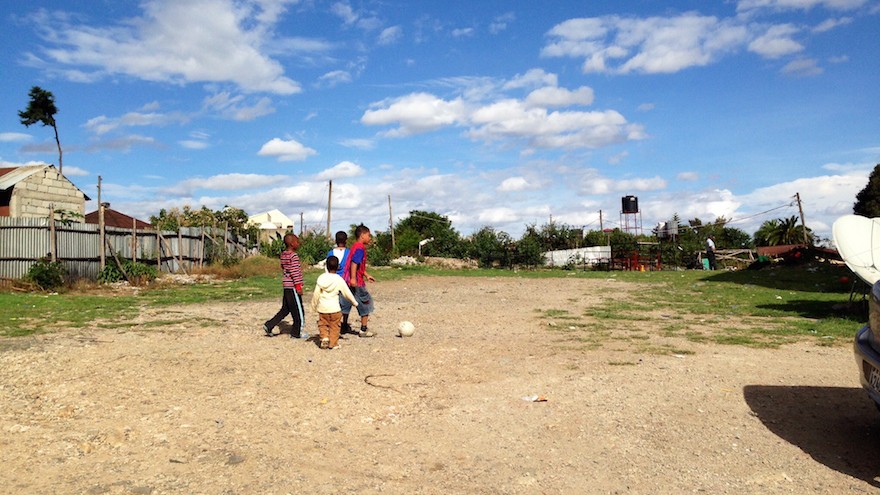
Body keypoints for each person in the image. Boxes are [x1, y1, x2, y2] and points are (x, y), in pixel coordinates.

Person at [263, 233, 310, 340]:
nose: (299, 244)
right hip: (293, 287)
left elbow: (284, 267)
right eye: (297, 242)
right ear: (292, 244)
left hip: (286, 286)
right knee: (299, 311)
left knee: (285, 309)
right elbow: (295, 272)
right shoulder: (294, 256)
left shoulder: (283, 255)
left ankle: (269, 325)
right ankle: (297, 332)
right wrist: (298, 286)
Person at [311, 256, 358, 349]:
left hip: (322, 308)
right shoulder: (339, 279)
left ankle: (324, 338)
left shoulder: (321, 278)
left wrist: (313, 306)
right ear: (337, 267)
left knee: (322, 324)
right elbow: (346, 292)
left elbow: (316, 294)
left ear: (326, 266)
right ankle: (333, 343)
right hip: (335, 308)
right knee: (335, 326)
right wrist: (354, 302)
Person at [341, 224, 376, 338]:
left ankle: (344, 325)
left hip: (346, 281)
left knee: (346, 302)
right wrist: (353, 278)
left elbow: (358, 264)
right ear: (362, 235)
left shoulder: (354, 246)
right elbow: (354, 263)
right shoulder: (360, 248)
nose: (370, 238)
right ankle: (363, 329)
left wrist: (366, 274)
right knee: (365, 302)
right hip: (355, 281)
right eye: (368, 235)